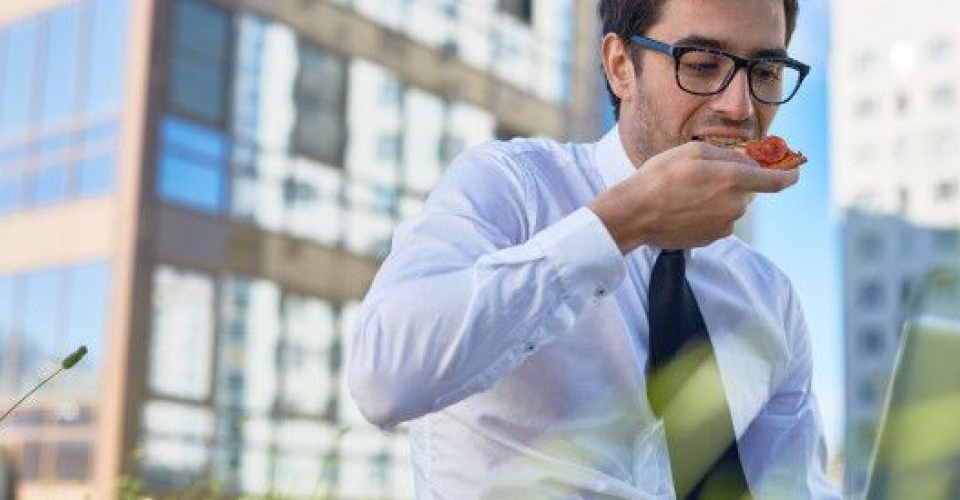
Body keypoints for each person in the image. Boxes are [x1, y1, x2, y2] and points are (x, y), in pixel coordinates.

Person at [348, 0, 839, 497]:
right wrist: (625, 222)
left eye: (767, 71)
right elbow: (384, 381)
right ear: (621, 66)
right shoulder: (511, 187)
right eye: (702, 65)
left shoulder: (770, 299)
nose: (740, 108)